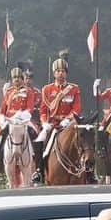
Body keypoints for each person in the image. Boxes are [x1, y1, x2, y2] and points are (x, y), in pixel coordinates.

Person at [38, 50, 82, 179]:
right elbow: (43, 110)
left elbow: (77, 108)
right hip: (52, 123)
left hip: (68, 123)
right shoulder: (47, 89)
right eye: (58, 71)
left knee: (83, 140)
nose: (60, 74)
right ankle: (39, 170)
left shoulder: (73, 88)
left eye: (63, 71)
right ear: (54, 73)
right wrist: (44, 123)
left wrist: (68, 119)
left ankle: (89, 172)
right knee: (40, 140)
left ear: (66, 73)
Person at [0, 65, 37, 176]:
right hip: (9, 120)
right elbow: (3, 109)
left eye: (18, 77)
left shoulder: (28, 92)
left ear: (22, 79)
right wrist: (3, 119)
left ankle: (36, 162)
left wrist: (21, 117)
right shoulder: (8, 92)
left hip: (23, 119)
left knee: (35, 134)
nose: (16, 79)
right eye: (14, 78)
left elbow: (29, 108)